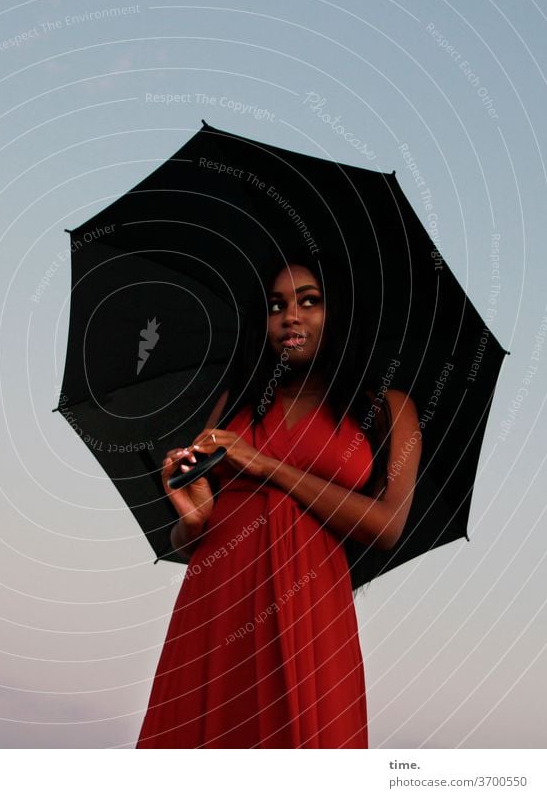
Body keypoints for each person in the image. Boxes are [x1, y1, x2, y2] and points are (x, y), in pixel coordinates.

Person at [136, 248, 422, 748]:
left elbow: (388, 525)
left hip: (313, 607)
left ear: (339, 314)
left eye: (309, 301)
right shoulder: (237, 401)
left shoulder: (387, 409)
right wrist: (193, 518)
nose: (290, 316)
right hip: (215, 604)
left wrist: (266, 465)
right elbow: (186, 541)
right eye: (275, 305)